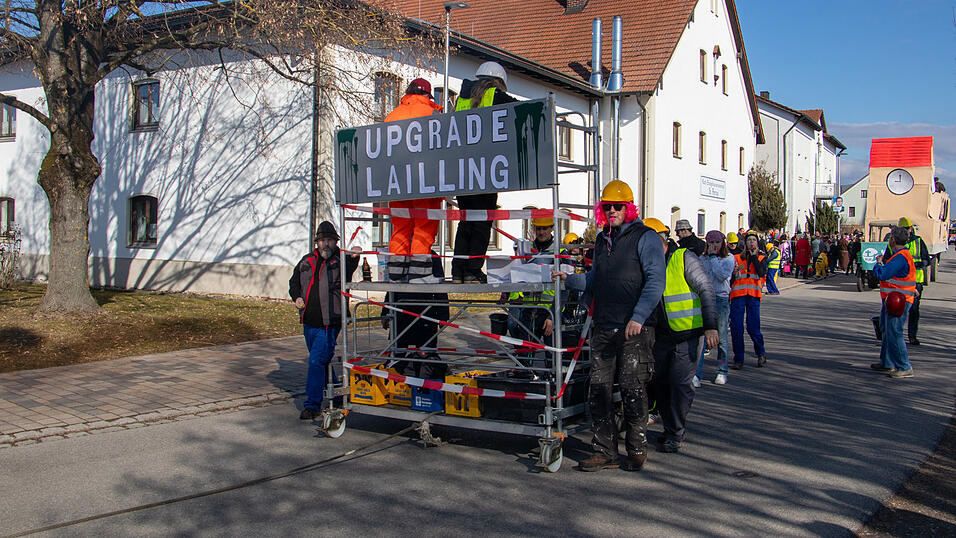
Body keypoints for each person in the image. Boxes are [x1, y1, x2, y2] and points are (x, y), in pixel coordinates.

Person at [553, 179, 665, 472]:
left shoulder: (646, 237)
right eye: (607, 207)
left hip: (634, 329)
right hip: (604, 325)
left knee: (632, 388)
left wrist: (638, 317)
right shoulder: (603, 240)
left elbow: (656, 281)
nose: (612, 211)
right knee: (598, 390)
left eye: (618, 206)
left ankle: (636, 448)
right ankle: (605, 451)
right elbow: (594, 279)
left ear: (629, 208)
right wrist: (571, 280)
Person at [647, 219, 718, 453]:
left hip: (688, 334)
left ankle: (675, 432)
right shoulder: (649, 264)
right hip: (662, 335)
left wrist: (711, 326)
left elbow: (706, 289)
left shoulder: (684, 258)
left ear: (662, 239)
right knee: (660, 383)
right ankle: (670, 428)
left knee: (679, 383)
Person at [452, 62, 517, 284]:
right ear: (499, 82)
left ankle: (458, 271)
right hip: (486, 169)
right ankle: (472, 270)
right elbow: (519, 111)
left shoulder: (460, 100)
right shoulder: (496, 96)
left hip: (462, 170)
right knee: (482, 222)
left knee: (465, 221)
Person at [289, 221, 360, 420]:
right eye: (322, 241)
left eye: (329, 240)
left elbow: (351, 264)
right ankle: (336, 392)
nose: (325, 244)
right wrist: (296, 297)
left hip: (331, 321)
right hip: (309, 321)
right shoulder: (306, 261)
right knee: (321, 360)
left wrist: (355, 255)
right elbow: (293, 283)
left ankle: (312, 405)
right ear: (317, 243)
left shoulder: (341, 260)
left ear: (335, 242)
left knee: (315, 360)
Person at [384, 78, 443, 281]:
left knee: (400, 226)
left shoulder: (392, 116)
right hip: (426, 178)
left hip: (397, 181)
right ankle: (419, 274)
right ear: (428, 95)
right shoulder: (434, 114)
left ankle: (395, 272)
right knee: (424, 225)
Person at [382, 251, 450, 380]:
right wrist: (385, 312)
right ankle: (398, 384)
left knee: (426, 355)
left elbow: (440, 286)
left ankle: (425, 386)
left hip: (425, 312)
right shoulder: (400, 254)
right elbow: (392, 284)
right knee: (398, 353)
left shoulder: (431, 255)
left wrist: (443, 315)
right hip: (401, 312)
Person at [502, 215, 556, 349]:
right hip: (529, 310)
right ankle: (524, 370)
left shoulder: (560, 252)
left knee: (552, 358)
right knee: (524, 353)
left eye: (545, 228)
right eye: (538, 229)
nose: (541, 232)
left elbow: (566, 289)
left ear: (552, 229)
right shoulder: (526, 250)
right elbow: (515, 273)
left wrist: (553, 315)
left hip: (548, 310)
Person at [870, 226, 917, 378]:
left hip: (898, 301)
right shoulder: (902, 255)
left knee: (894, 332)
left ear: (893, 240)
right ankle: (887, 363)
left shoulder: (900, 257)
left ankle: (904, 366)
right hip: (894, 299)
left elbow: (882, 274)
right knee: (887, 330)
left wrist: (877, 264)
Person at [695, 230, 734, 385]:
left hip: (721, 299)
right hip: (705, 298)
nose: (715, 245)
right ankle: (697, 374)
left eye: (717, 242)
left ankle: (722, 371)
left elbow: (721, 275)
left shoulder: (728, 258)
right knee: (701, 338)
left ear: (722, 243)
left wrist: (713, 258)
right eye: (712, 243)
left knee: (722, 337)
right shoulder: (701, 258)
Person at [729, 230, 768, 369]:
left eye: (754, 240)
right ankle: (738, 358)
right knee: (736, 328)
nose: (751, 242)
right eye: (749, 240)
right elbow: (731, 277)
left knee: (753, 328)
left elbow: (762, 272)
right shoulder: (737, 258)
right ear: (745, 243)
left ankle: (760, 353)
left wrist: (754, 257)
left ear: (757, 243)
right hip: (738, 296)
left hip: (753, 296)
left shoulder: (762, 257)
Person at [894, 217, 929, 346]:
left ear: (910, 229)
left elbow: (926, 260)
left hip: (915, 283)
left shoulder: (918, 242)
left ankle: (912, 336)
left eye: (906, 229)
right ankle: (897, 336)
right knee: (898, 311)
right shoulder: (893, 243)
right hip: (898, 283)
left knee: (913, 310)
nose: (905, 231)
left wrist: (916, 264)